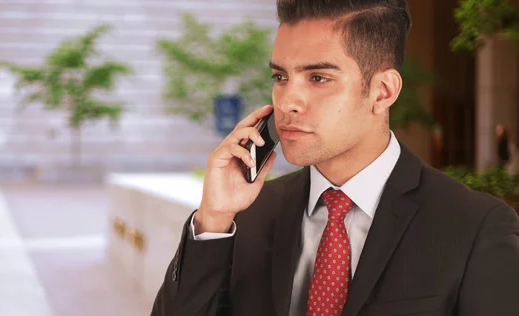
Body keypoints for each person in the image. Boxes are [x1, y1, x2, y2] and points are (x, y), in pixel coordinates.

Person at [151, 1, 519, 315]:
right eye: (281, 76)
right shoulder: (246, 216)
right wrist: (213, 220)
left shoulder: (474, 228)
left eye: (318, 78)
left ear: (382, 91)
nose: (287, 102)